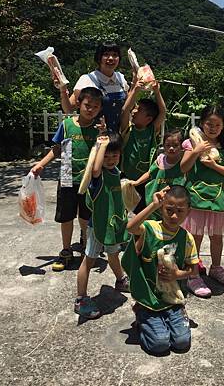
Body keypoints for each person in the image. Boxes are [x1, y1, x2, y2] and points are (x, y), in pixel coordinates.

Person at [31, 87, 103, 271]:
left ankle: (88, 252)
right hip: (66, 177)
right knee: (66, 217)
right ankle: (66, 251)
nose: (90, 109)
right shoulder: (67, 124)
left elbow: (106, 153)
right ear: (79, 104)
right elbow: (57, 149)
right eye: (87, 105)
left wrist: (104, 135)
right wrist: (41, 164)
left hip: (89, 181)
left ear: (100, 108)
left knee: (86, 217)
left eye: (95, 107)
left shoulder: (99, 129)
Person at [122, 185, 198, 355]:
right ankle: (142, 316)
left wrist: (178, 274)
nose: (174, 215)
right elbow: (130, 227)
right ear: (162, 208)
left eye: (180, 211)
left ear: (188, 211)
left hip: (172, 299)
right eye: (169, 209)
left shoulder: (187, 238)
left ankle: (170, 317)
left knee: (181, 342)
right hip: (149, 300)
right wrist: (153, 205)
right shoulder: (150, 228)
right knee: (160, 344)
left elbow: (193, 270)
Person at [180, 105, 224, 298]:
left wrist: (214, 165)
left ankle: (216, 267)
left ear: (223, 126)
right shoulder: (192, 143)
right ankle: (193, 274)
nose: (213, 128)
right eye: (209, 124)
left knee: (217, 237)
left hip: (218, 197)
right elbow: (184, 167)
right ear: (202, 123)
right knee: (194, 237)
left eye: (217, 125)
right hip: (196, 198)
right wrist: (196, 151)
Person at [75, 132, 130, 319]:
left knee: (114, 254)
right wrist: (101, 146)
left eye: (114, 155)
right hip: (97, 227)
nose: (110, 159)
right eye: (106, 156)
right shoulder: (98, 177)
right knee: (88, 260)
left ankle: (121, 280)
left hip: (112, 226)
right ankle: (81, 299)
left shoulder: (116, 173)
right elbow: (96, 169)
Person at [57, 43, 129, 132]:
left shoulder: (121, 78)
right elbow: (69, 109)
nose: (111, 58)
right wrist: (63, 90)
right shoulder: (87, 79)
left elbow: (128, 105)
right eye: (106, 54)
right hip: (93, 135)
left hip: (118, 136)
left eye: (115, 55)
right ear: (99, 58)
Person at [120, 80, 166, 210]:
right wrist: (135, 91)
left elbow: (163, 112)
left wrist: (157, 92)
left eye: (139, 110)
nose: (134, 111)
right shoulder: (128, 129)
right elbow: (124, 111)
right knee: (122, 210)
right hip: (126, 179)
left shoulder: (152, 130)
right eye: (134, 108)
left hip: (145, 179)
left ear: (149, 119)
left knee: (142, 211)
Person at [130, 128, 186, 221]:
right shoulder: (161, 159)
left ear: (182, 146)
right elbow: (150, 173)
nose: (171, 148)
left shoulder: (183, 162)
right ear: (163, 146)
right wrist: (137, 182)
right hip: (157, 197)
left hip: (175, 200)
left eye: (175, 145)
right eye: (168, 145)